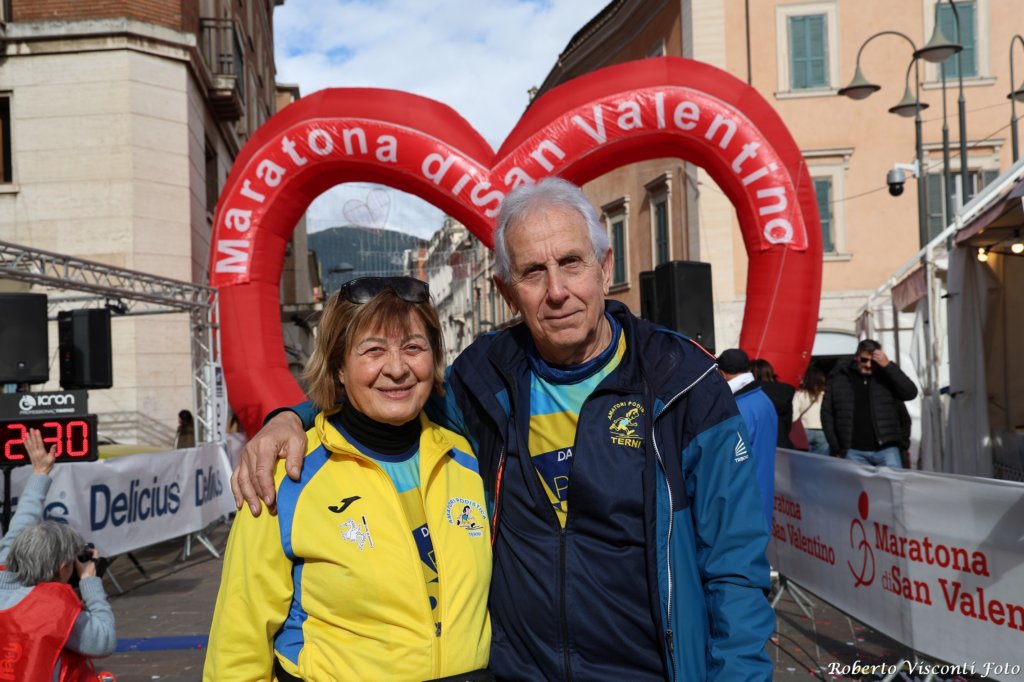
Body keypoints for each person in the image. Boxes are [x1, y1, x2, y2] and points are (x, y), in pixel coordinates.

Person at [233, 178, 774, 681]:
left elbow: (735, 570)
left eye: (571, 262)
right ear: (506, 290)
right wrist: (293, 417)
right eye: (533, 272)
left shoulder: (682, 382)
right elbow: (389, 396)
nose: (557, 290)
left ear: (605, 266)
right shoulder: (483, 378)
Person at [204, 277, 492, 681]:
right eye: (373, 350)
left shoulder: (465, 458)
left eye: (413, 347)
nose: (397, 368)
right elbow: (238, 643)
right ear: (338, 366)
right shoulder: (286, 474)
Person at [0, 429, 117, 681]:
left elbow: (19, 525)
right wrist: (90, 583)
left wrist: (40, 472)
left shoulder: (5, 569)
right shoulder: (52, 609)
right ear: (62, 567)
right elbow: (103, 641)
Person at [820, 339, 918, 467]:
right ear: (856, 357)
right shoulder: (840, 376)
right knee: (855, 482)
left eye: (873, 361)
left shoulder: (886, 375)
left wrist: (888, 365)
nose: (869, 365)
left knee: (890, 481)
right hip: (853, 451)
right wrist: (836, 446)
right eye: (864, 360)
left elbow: (910, 393)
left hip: (887, 449)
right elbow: (827, 412)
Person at [717, 349, 778, 524]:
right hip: (760, 495)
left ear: (723, 374)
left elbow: (727, 460)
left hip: (742, 502)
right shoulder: (764, 399)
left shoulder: (737, 407)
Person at [750, 358, 796, 449]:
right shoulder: (783, 393)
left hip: (757, 446)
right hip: (782, 444)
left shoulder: (750, 394)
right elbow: (787, 424)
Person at [792, 363, 829, 455]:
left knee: (802, 459)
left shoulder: (800, 394)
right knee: (820, 461)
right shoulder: (825, 395)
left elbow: (793, 415)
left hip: (804, 430)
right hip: (822, 431)